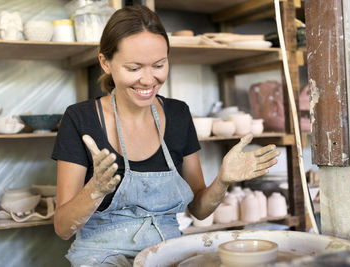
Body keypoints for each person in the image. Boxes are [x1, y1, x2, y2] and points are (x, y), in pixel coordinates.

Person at [52, 5, 280, 267]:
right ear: (105, 63)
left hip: (169, 250)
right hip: (101, 256)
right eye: (134, 68)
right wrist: (95, 189)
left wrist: (222, 180)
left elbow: (199, 209)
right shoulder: (81, 118)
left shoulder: (178, 113)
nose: (148, 80)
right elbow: (62, 227)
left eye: (159, 65)